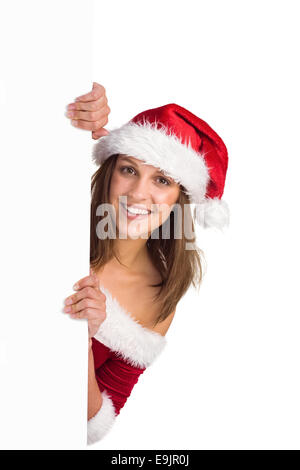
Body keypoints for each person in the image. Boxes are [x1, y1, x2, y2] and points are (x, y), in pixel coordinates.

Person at [63, 82, 229, 445]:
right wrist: (73, 101)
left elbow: (90, 427)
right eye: (128, 170)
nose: (138, 193)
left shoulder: (161, 298)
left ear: (177, 199)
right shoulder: (60, 229)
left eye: (162, 180)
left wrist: (78, 340)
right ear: (109, 172)